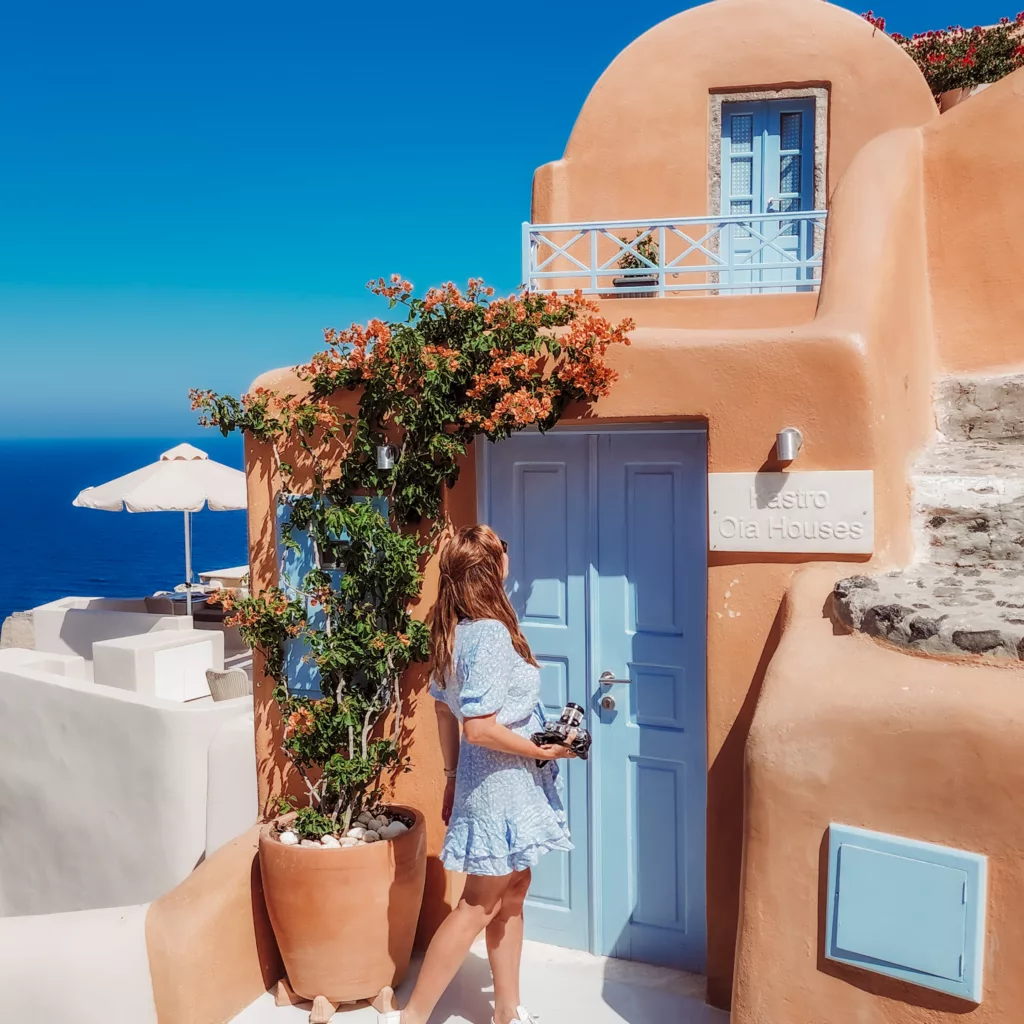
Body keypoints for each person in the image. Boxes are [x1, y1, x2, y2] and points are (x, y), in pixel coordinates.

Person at [381, 524, 576, 1024]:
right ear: (491, 568)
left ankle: (507, 1011)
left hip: (494, 783)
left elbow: (444, 714)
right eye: (502, 550)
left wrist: (450, 778)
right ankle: (412, 1017)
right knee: (477, 904)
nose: (509, 555)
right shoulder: (487, 634)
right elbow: (479, 728)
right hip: (501, 784)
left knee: (513, 890)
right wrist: (544, 750)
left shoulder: (454, 631)